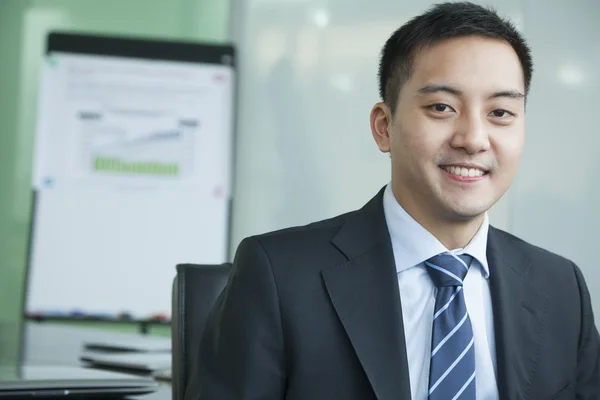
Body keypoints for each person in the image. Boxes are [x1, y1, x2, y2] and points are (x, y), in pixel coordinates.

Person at [185, 2, 600, 399]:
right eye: (442, 107)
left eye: (501, 113)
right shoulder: (278, 276)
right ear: (384, 127)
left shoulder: (561, 289)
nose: (474, 139)